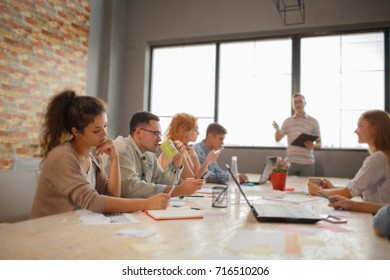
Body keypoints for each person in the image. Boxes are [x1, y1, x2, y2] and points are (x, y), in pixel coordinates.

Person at [30, 90, 169, 219]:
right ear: (76, 132)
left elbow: (113, 195)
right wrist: (146, 204)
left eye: (106, 126)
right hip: (51, 231)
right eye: (97, 130)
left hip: (78, 226)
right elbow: (93, 201)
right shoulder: (63, 156)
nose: (105, 134)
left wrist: (114, 159)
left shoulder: (91, 158)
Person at [101, 111, 204, 198]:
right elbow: (131, 188)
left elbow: (162, 182)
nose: (159, 139)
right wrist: (178, 190)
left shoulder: (149, 154)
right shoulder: (120, 149)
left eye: (160, 134)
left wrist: (176, 163)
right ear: (138, 133)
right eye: (155, 134)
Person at [308, 110, 390, 204]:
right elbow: (358, 190)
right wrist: (333, 188)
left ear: (374, 128)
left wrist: (318, 191)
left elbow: (348, 193)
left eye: (359, 126)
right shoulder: (383, 156)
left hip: (376, 216)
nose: (355, 131)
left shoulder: (378, 158)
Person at [158, 113, 219, 180]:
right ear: (184, 131)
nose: (198, 133)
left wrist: (195, 157)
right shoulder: (174, 147)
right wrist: (208, 161)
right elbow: (193, 179)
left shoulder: (184, 147)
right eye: (195, 130)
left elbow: (196, 175)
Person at [273, 93, 321, 176]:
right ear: (292, 105)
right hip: (290, 162)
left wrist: (312, 145)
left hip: (307, 163)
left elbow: (319, 144)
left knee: (306, 189)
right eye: (295, 102)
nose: (297, 104)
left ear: (305, 103)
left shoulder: (314, 122)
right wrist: (277, 129)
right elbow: (277, 139)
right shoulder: (287, 121)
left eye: (300, 101)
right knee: (288, 188)